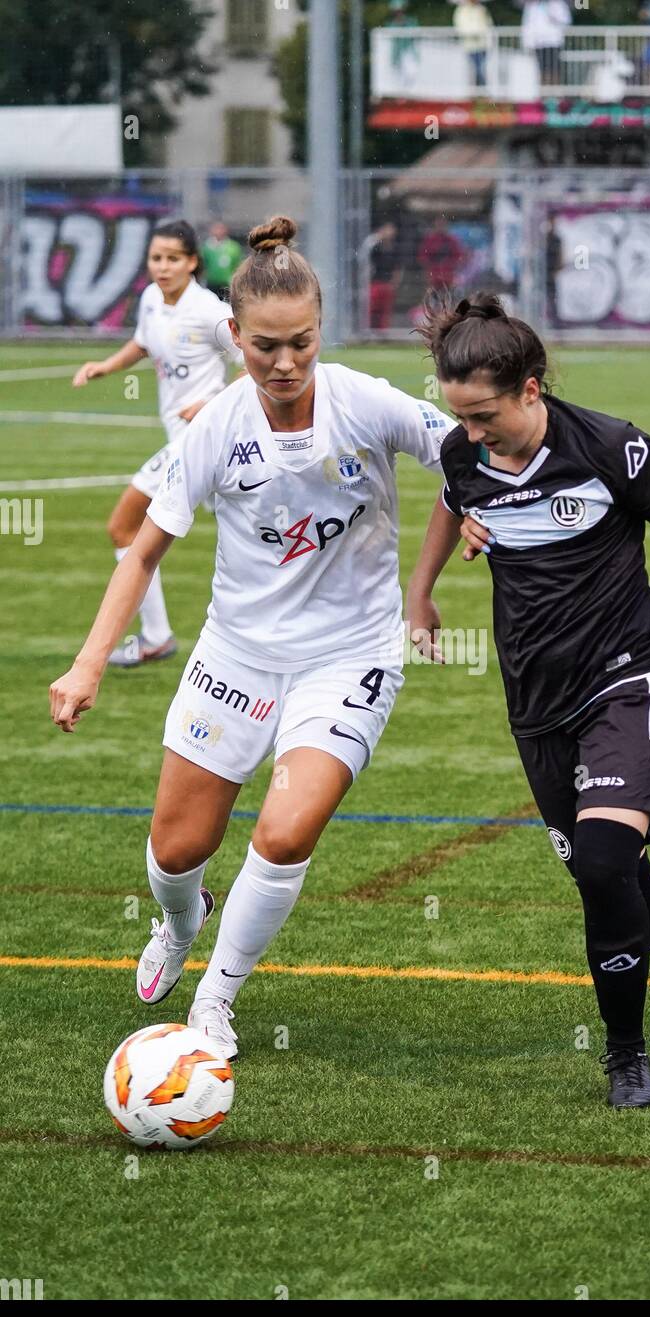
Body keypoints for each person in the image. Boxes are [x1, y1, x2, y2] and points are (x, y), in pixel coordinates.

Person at [50, 216, 453, 1061]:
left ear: (320, 331)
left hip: (351, 657)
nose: (285, 362)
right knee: (177, 850)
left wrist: (442, 562)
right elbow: (142, 551)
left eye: (301, 343)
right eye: (265, 345)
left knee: (284, 830)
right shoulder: (215, 427)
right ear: (235, 336)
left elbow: (463, 452)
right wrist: (89, 664)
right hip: (236, 654)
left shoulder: (364, 401)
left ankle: (215, 1001)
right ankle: (179, 918)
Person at [407, 293, 650, 1110]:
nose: (471, 433)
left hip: (631, 679)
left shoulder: (615, 447)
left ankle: (626, 1056)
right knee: (615, 882)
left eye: (485, 414)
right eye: (459, 418)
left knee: (606, 863)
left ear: (532, 390)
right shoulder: (463, 453)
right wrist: (422, 592)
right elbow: (452, 500)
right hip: (536, 706)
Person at [72, 220, 243, 668]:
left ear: (191, 263)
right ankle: (160, 636)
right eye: (155, 258)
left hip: (201, 442)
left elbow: (254, 365)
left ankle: (157, 636)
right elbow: (143, 344)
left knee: (123, 526)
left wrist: (211, 402)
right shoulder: (151, 300)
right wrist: (106, 366)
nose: (162, 267)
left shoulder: (209, 310)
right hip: (185, 441)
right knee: (253, 533)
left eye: (172, 258)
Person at [520, 0, 572, 89]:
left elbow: (566, 21)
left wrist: (555, 18)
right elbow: (528, 26)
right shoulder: (532, 6)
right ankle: (544, 95)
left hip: (554, 42)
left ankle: (555, 95)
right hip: (538, 43)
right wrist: (527, 42)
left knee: (555, 70)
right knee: (542, 71)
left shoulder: (558, 4)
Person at [364, 221, 403, 331]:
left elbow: (397, 268)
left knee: (385, 311)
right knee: (372, 309)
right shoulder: (375, 247)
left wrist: (394, 282)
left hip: (387, 283)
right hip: (375, 282)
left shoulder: (395, 249)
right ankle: (370, 329)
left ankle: (382, 331)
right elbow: (366, 261)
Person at [418, 216, 467, 297]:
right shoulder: (429, 239)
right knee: (431, 296)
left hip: (448, 274)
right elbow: (423, 257)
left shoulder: (452, 240)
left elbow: (459, 256)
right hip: (433, 274)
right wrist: (430, 267)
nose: (440, 227)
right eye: (439, 224)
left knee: (450, 296)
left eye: (442, 224)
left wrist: (451, 266)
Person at [453, 0, 493, 90]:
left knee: (482, 70)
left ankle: (482, 92)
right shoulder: (461, 10)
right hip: (469, 45)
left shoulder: (482, 9)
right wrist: (474, 34)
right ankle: (474, 93)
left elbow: (488, 25)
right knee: (473, 71)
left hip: (483, 45)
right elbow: (461, 27)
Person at [201, 221, 245, 300]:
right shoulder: (207, 247)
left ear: (226, 230)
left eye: (221, 228)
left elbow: (238, 265)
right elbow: (204, 264)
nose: (218, 231)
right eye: (216, 228)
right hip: (211, 282)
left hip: (227, 283)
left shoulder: (233, 247)